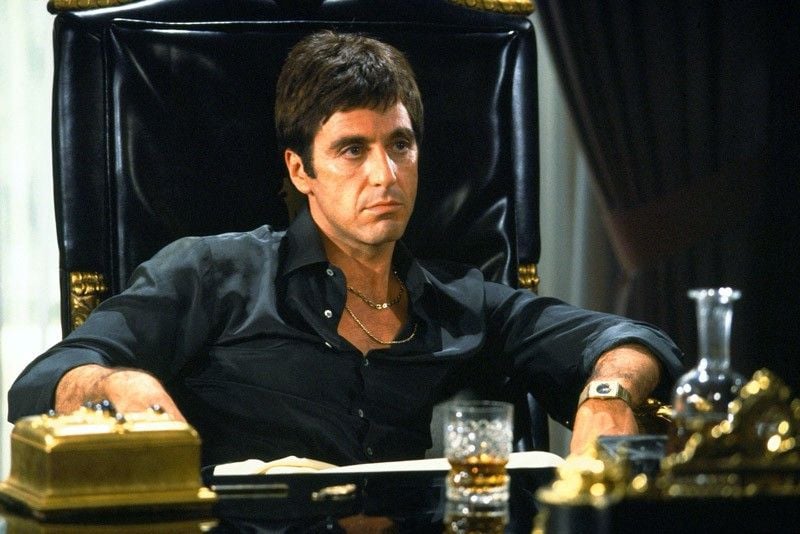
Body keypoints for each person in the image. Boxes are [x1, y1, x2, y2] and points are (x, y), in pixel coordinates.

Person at [7, 31, 683, 468]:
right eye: (352, 150)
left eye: (400, 145)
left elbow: (633, 340)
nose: (385, 175)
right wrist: (116, 384)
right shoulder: (211, 272)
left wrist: (606, 392)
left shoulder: (462, 300)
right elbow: (40, 382)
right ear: (301, 170)